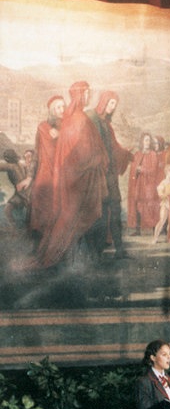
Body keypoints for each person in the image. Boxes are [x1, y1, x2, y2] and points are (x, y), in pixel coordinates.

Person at [33, 81, 108, 270]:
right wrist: (98, 157)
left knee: (74, 221)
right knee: (76, 221)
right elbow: (81, 154)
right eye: (87, 93)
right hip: (79, 180)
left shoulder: (72, 119)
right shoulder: (78, 120)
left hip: (77, 179)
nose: (89, 96)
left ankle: (74, 261)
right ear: (80, 95)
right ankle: (70, 261)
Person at [87, 90, 132, 259]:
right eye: (111, 103)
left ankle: (119, 249)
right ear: (104, 102)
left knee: (115, 209)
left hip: (110, 176)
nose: (113, 107)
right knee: (102, 213)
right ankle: (98, 252)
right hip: (100, 174)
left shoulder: (107, 124)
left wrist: (126, 154)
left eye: (115, 104)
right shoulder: (94, 120)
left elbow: (114, 148)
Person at [29, 95, 64, 239]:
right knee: (40, 201)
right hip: (44, 173)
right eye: (58, 107)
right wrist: (29, 176)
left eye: (63, 106)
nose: (62, 110)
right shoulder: (43, 127)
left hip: (61, 173)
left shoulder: (67, 127)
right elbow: (36, 152)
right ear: (52, 110)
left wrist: (62, 135)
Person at [128, 132, 161, 236]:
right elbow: (133, 168)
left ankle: (154, 229)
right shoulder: (137, 154)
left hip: (149, 184)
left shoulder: (153, 154)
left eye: (149, 140)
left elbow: (154, 170)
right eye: (146, 140)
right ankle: (137, 230)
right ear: (142, 142)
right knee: (138, 204)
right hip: (139, 184)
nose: (148, 142)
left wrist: (142, 169)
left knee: (151, 205)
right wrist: (135, 169)